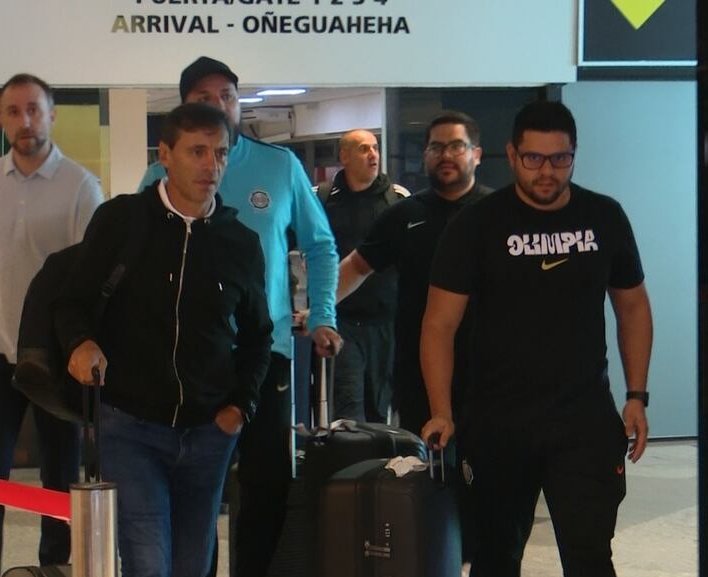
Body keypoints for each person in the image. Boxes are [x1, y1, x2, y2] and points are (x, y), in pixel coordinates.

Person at [421, 101, 652, 577]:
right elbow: (438, 325)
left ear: (574, 154)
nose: (547, 171)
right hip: (497, 423)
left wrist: (636, 395)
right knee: (495, 558)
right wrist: (441, 410)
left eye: (560, 158)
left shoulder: (604, 216)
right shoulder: (477, 225)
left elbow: (632, 306)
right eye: (534, 159)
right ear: (512, 155)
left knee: (590, 557)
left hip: (583, 420)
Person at [138, 56, 342, 577]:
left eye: (227, 96)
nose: (220, 106)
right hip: (188, 359)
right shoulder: (160, 174)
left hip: (265, 354)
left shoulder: (280, 166)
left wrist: (323, 315)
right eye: (204, 98)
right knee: (193, 488)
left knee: (266, 485)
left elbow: (320, 246)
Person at [55, 103, 273, 577]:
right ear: (165, 155)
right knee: (148, 560)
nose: (210, 165)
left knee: (192, 564)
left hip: (209, 431)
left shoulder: (240, 242)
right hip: (129, 424)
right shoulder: (122, 220)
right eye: (197, 151)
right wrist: (80, 343)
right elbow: (71, 301)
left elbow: (259, 336)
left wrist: (241, 407)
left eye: (220, 153)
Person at [0, 73, 104, 577]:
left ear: (52, 115)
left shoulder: (81, 185)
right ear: (1, 120)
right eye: (14, 111)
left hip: (56, 355)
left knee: (59, 476)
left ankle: (54, 569)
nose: (25, 121)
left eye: (34, 109)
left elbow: (92, 278)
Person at [336, 112, 490, 435]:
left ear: (476, 154)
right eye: (436, 148)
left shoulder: (498, 213)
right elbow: (357, 266)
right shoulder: (404, 215)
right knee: (422, 463)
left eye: (456, 146)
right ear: (425, 156)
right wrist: (319, 311)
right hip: (418, 373)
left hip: (488, 371)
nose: (445, 155)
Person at [317, 129, 409, 422]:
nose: (372, 155)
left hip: (386, 322)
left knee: (380, 412)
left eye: (375, 148)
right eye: (363, 149)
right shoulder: (323, 199)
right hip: (343, 320)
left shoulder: (397, 199)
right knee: (349, 410)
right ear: (344, 156)